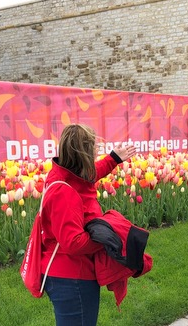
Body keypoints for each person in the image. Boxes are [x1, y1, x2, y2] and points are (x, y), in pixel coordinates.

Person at [40, 124, 136, 325]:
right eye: (93, 147)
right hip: (71, 277)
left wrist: (113, 159)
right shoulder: (63, 192)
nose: (96, 151)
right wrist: (109, 239)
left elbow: (89, 175)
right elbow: (73, 242)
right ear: (84, 153)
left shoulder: (68, 175)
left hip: (73, 274)